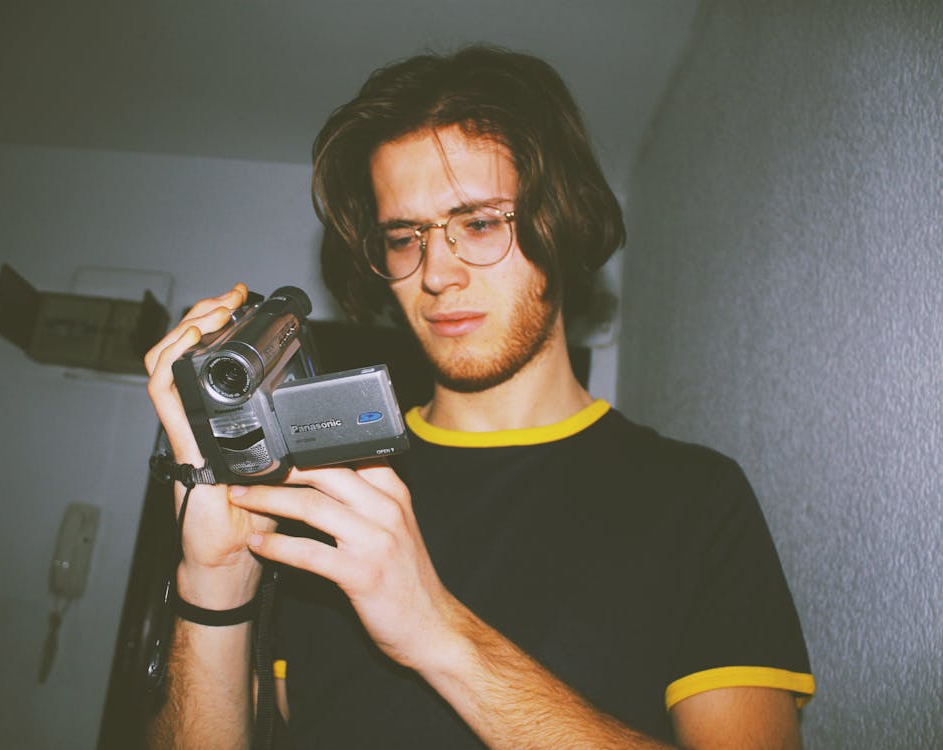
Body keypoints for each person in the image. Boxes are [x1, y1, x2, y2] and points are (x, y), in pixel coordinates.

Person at [144, 46, 814, 749]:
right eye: (403, 237)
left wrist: (435, 630)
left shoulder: (695, 498)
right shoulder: (323, 491)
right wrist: (213, 580)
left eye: (480, 223)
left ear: (563, 222)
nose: (435, 273)